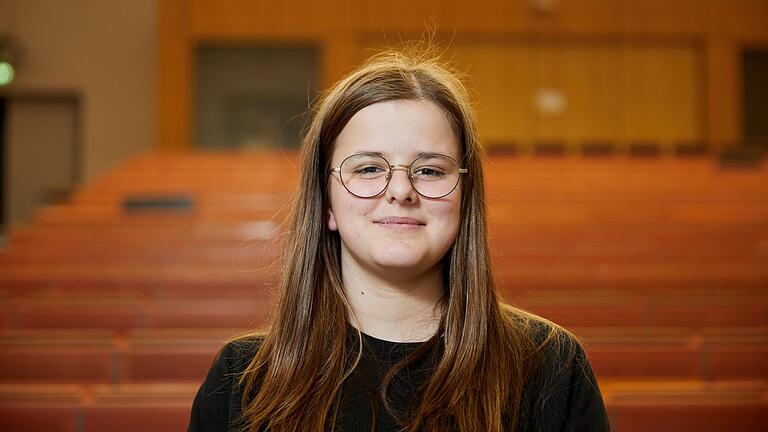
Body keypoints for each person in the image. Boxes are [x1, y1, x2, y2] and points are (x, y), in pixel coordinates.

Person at [188, 44, 611, 432]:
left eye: (429, 170)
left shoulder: (550, 365)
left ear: (465, 197)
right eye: (369, 168)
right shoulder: (241, 379)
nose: (401, 191)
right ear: (327, 202)